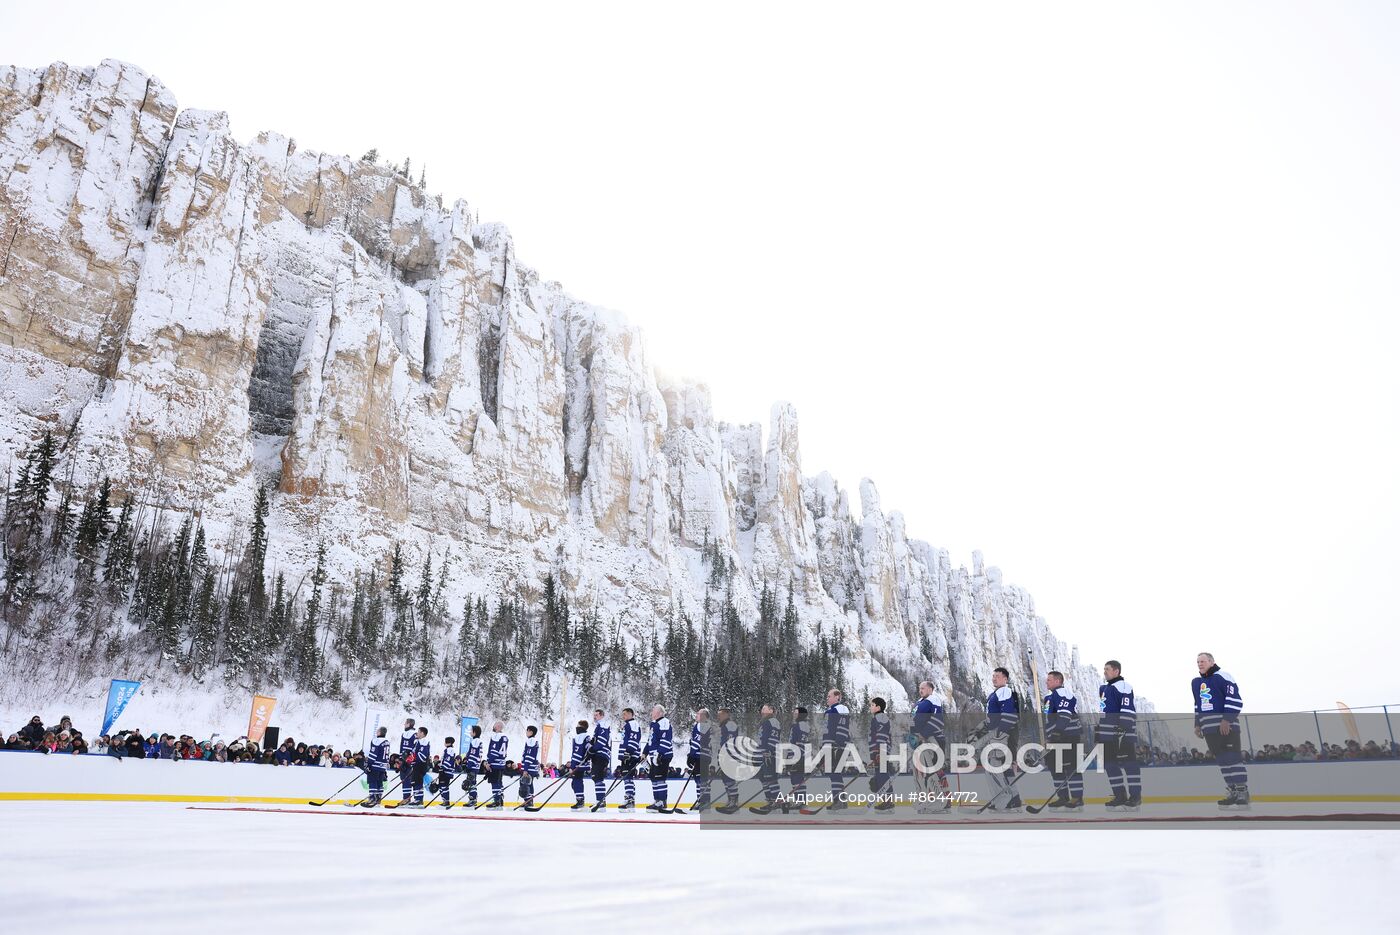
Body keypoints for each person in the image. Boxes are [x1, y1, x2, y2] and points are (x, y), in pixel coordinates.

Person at [1194, 652, 1249, 810]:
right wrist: (1197, 724)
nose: (1200, 664)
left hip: (1226, 726)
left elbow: (1235, 699)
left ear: (1212, 662)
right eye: (1198, 662)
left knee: (1233, 758)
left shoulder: (1223, 676)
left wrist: (1227, 720)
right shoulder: (1196, 682)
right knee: (1223, 761)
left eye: (1203, 661)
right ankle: (1232, 792)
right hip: (1208, 729)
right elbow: (1198, 704)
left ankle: (1242, 792)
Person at [975, 667, 1022, 812]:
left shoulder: (1004, 691)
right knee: (1004, 768)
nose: (994, 678)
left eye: (998, 676)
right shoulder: (996, 693)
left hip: (1001, 736)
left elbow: (1010, 715)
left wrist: (998, 732)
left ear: (1005, 679)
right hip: (1001, 734)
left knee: (993, 767)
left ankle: (1003, 799)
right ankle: (1014, 799)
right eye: (993, 675)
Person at [1097, 660, 1140, 811]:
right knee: (1110, 765)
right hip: (1108, 735)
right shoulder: (1105, 689)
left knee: (1129, 765)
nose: (1105, 672)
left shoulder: (1123, 686)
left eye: (1107, 669)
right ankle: (1120, 795)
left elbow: (1127, 709)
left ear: (1116, 671)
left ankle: (1135, 797)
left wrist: (1122, 729)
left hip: (1122, 735)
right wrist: (1099, 730)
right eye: (1104, 669)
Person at [1043, 670, 1084, 811]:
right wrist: (1050, 736)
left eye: (1049, 679)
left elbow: (1065, 714)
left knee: (1071, 767)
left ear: (1058, 681)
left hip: (1068, 736)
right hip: (1056, 738)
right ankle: (1063, 797)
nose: (1046, 682)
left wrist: (1057, 732)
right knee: (1055, 767)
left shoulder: (1062, 693)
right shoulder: (1050, 697)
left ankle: (1077, 798)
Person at [912, 680, 951, 814]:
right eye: (919, 688)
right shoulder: (919, 703)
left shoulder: (933, 700)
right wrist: (912, 736)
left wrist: (923, 734)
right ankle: (930, 800)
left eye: (923, 688)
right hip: (922, 740)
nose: (920, 690)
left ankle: (941, 801)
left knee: (932, 771)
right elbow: (915, 722)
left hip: (932, 739)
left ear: (930, 689)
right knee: (922, 772)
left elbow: (937, 720)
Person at [749, 704, 784, 815]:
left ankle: (776, 802)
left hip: (769, 754)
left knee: (770, 778)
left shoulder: (772, 721)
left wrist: (768, 751)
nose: (762, 711)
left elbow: (773, 738)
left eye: (765, 709)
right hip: (763, 753)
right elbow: (761, 740)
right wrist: (756, 754)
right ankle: (770, 801)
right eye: (762, 709)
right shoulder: (765, 722)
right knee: (763, 777)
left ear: (771, 710)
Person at [645, 704, 674, 812]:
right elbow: (650, 741)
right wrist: (645, 752)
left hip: (662, 756)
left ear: (660, 713)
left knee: (660, 778)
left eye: (653, 710)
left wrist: (660, 754)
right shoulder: (653, 724)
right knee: (654, 778)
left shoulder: (664, 722)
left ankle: (662, 801)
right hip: (654, 756)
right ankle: (657, 800)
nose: (651, 712)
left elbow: (666, 739)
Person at [714, 708, 742, 813]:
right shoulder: (725, 725)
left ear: (726, 714)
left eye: (720, 715)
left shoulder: (730, 724)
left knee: (729, 779)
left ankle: (734, 801)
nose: (718, 717)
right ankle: (731, 799)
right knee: (726, 779)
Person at [868, 697, 894, 811]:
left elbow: (881, 736)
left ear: (878, 707)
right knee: (880, 776)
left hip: (881, 751)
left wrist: (878, 752)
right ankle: (887, 801)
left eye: (872, 705)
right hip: (881, 751)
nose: (870, 707)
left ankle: (887, 801)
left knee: (882, 776)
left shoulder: (880, 718)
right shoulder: (880, 718)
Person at [688, 708, 714, 811]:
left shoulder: (702, 725)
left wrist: (691, 755)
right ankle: (702, 801)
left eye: (698, 714)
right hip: (704, 755)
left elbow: (696, 741)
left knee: (701, 779)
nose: (697, 715)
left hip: (701, 756)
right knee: (700, 779)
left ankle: (705, 802)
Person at [787, 706, 811, 812]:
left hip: (797, 755)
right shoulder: (804, 725)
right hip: (802, 755)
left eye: (796, 712)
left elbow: (796, 742)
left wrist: (793, 757)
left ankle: (800, 801)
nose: (794, 714)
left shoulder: (797, 726)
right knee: (799, 779)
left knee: (796, 778)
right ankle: (801, 801)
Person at [618, 708, 642, 811]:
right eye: (623, 714)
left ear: (630, 714)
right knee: (627, 778)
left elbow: (634, 739)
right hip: (626, 755)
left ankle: (630, 799)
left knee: (628, 777)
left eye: (625, 714)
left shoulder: (633, 724)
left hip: (630, 755)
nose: (623, 716)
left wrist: (629, 752)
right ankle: (629, 798)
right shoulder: (627, 725)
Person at [589, 709, 612, 810]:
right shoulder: (599, 726)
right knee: (596, 777)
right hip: (599, 754)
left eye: (597, 715)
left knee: (598, 777)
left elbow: (602, 741)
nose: (595, 717)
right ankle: (600, 801)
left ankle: (601, 801)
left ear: (602, 715)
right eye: (594, 715)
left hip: (601, 754)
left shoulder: (603, 725)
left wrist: (593, 749)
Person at [364, 726, 390, 807]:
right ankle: (378, 799)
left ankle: (372, 798)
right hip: (383, 766)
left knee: (372, 781)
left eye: (377, 731)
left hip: (375, 765)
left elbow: (373, 754)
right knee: (379, 782)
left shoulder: (376, 740)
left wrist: (368, 764)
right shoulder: (387, 742)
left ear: (379, 732)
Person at [569, 720, 591, 810]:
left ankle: (580, 800)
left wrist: (573, 766)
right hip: (582, 763)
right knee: (576, 782)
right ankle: (580, 799)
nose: (576, 727)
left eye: (578, 725)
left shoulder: (580, 737)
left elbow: (577, 752)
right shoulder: (587, 737)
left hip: (579, 763)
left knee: (576, 781)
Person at [486, 722, 508, 809]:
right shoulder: (505, 737)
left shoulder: (496, 736)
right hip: (501, 763)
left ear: (498, 727)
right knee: (499, 782)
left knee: (494, 782)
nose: (493, 726)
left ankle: (496, 800)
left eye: (494, 724)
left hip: (495, 763)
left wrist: (489, 762)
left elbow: (494, 751)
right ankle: (500, 800)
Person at [461, 725, 484, 807]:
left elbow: (474, 754)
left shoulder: (475, 741)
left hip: (473, 766)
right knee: (472, 782)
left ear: (475, 732)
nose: (470, 732)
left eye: (471, 731)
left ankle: (473, 799)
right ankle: (472, 799)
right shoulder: (477, 741)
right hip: (475, 765)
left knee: (471, 783)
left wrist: (469, 765)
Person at [433, 736, 458, 807]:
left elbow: (448, 760)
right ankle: (445, 801)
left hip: (446, 772)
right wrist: (439, 765)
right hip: (445, 771)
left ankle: (446, 802)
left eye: (445, 741)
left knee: (444, 786)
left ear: (449, 743)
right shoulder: (447, 750)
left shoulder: (450, 750)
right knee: (441, 786)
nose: (444, 743)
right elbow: (445, 760)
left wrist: (442, 768)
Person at [520, 726, 541, 809]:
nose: (526, 732)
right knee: (529, 784)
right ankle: (529, 801)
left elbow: (529, 756)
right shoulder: (533, 741)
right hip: (532, 766)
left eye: (527, 731)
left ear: (531, 732)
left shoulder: (531, 741)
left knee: (525, 783)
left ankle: (528, 801)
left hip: (529, 767)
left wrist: (525, 768)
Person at [398, 719, 417, 806]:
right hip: (403, 760)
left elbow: (415, 748)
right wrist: (400, 759)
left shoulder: (414, 734)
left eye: (405, 723)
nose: (404, 724)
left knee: (407, 780)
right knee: (403, 779)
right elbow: (401, 747)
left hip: (409, 761)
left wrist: (410, 758)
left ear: (409, 724)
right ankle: (405, 798)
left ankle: (407, 798)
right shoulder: (403, 734)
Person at [411, 727, 432, 807]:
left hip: (420, 765)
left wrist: (414, 758)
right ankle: (417, 798)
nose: (417, 733)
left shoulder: (424, 741)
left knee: (418, 782)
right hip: (418, 764)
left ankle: (419, 799)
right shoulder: (419, 742)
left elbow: (423, 755)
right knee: (415, 781)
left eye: (419, 732)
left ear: (422, 733)